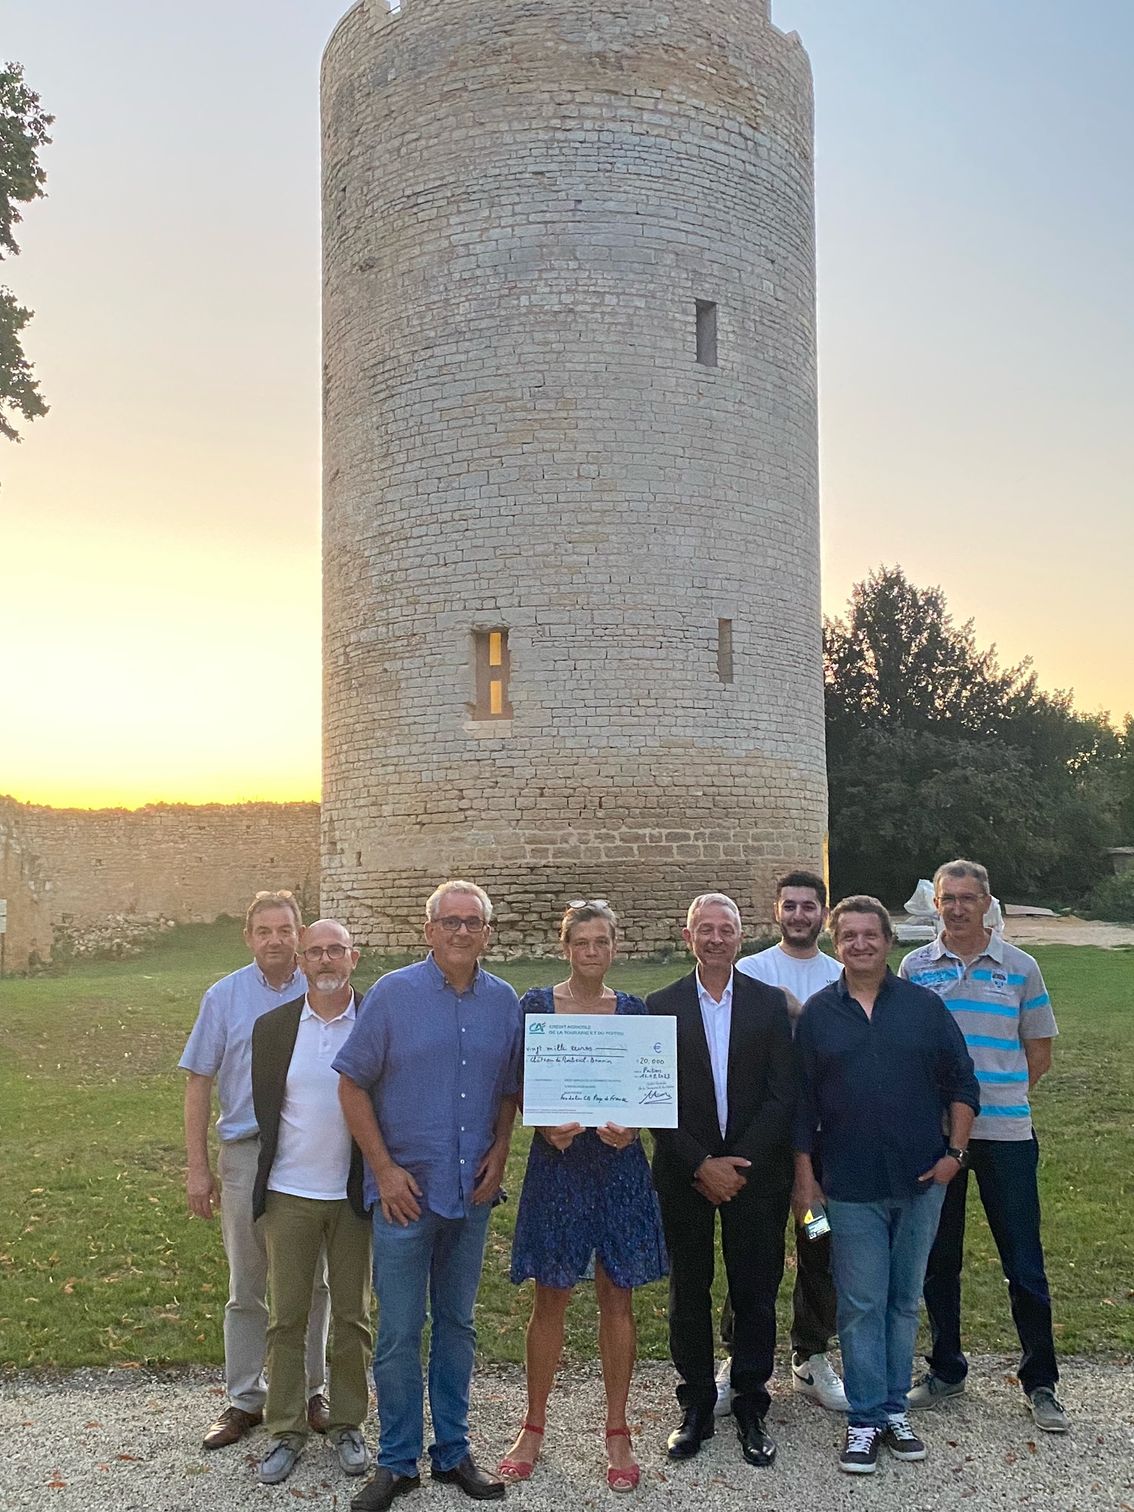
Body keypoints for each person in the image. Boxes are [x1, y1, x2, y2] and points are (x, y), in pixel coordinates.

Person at [335, 881, 522, 1512]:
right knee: (397, 1331)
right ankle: (395, 1461)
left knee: (458, 1325)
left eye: (474, 922)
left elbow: (506, 1091)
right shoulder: (392, 995)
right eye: (450, 922)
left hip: (470, 1194)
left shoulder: (504, 1002)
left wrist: (502, 1150)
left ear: (488, 933)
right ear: (429, 930)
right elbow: (353, 1086)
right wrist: (383, 1170)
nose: (462, 932)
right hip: (405, 1195)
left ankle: (453, 1452)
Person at [793, 896, 979, 1475]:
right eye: (847, 936)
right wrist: (805, 1182)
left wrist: (954, 1155)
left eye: (869, 935)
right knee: (860, 1301)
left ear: (888, 940)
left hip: (924, 1179)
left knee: (903, 1301)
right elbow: (799, 1106)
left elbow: (963, 1084)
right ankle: (864, 1417)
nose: (860, 945)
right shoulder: (820, 1015)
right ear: (835, 943)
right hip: (847, 1185)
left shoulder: (924, 1007)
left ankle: (895, 1407)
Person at [499, 901, 667, 1493]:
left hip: (618, 1166)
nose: (592, 952)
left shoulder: (636, 1011)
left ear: (615, 946)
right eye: (582, 943)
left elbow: (648, 1090)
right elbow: (517, 1081)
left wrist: (636, 1127)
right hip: (560, 1164)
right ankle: (533, 1425)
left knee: (616, 1298)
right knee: (551, 1296)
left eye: (602, 942)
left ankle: (617, 1429)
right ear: (564, 946)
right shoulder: (537, 1007)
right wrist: (540, 1122)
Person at [901, 860, 1068, 1432]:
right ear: (937, 903)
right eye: (948, 898)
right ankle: (946, 1367)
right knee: (937, 1258)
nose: (956, 907)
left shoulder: (1021, 968)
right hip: (937, 1140)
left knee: (1023, 1262)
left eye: (967, 898)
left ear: (986, 902)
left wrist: (1001, 1097)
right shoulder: (915, 966)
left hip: (1006, 1136)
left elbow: (1038, 1051)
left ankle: (1040, 1381)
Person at [646, 893, 795, 1470]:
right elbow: (654, 1098)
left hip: (755, 1173)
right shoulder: (661, 1006)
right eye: (704, 929)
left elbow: (784, 1093)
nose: (714, 939)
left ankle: (752, 1402)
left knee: (755, 1289)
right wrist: (699, 1162)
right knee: (689, 1290)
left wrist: (736, 1162)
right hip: (684, 1172)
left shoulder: (768, 1004)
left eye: (725, 930)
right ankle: (697, 1406)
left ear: (741, 937)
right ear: (689, 937)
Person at [179, 891, 330, 1450]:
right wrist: (199, 1168)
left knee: (313, 1282)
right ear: (249, 938)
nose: (275, 941)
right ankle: (245, 1397)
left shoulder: (322, 988)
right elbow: (198, 1080)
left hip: (306, 1150)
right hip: (245, 1152)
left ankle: (313, 1392)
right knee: (247, 1284)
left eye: (284, 930)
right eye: (264, 931)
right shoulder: (225, 996)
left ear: (299, 934)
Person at [716, 869, 847, 1416]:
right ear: (776, 912)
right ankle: (739, 1358)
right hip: (765, 1144)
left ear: (823, 912)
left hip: (822, 1146)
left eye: (808, 906)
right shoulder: (751, 971)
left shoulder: (841, 973)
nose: (799, 915)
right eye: (789, 906)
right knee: (756, 1252)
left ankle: (811, 1353)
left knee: (818, 1243)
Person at [251, 918, 373, 1485]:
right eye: (315, 952)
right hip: (290, 1193)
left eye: (336, 951)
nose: (325, 961)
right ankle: (284, 1431)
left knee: (352, 1317)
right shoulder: (274, 1027)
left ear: (353, 958)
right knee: (287, 1319)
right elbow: (268, 1108)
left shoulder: (375, 1019)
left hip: (352, 1195)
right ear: (301, 962)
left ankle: (348, 1424)